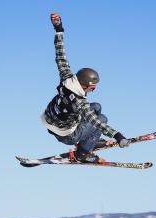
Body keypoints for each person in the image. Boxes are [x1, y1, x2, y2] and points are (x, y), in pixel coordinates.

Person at [41, 13, 130, 163]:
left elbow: (60, 54)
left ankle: (90, 140)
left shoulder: (66, 76)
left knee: (97, 106)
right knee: (102, 118)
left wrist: (59, 29)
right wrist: (118, 136)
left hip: (51, 120)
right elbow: (97, 123)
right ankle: (83, 153)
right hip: (66, 134)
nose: (92, 90)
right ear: (84, 85)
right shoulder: (79, 102)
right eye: (92, 88)